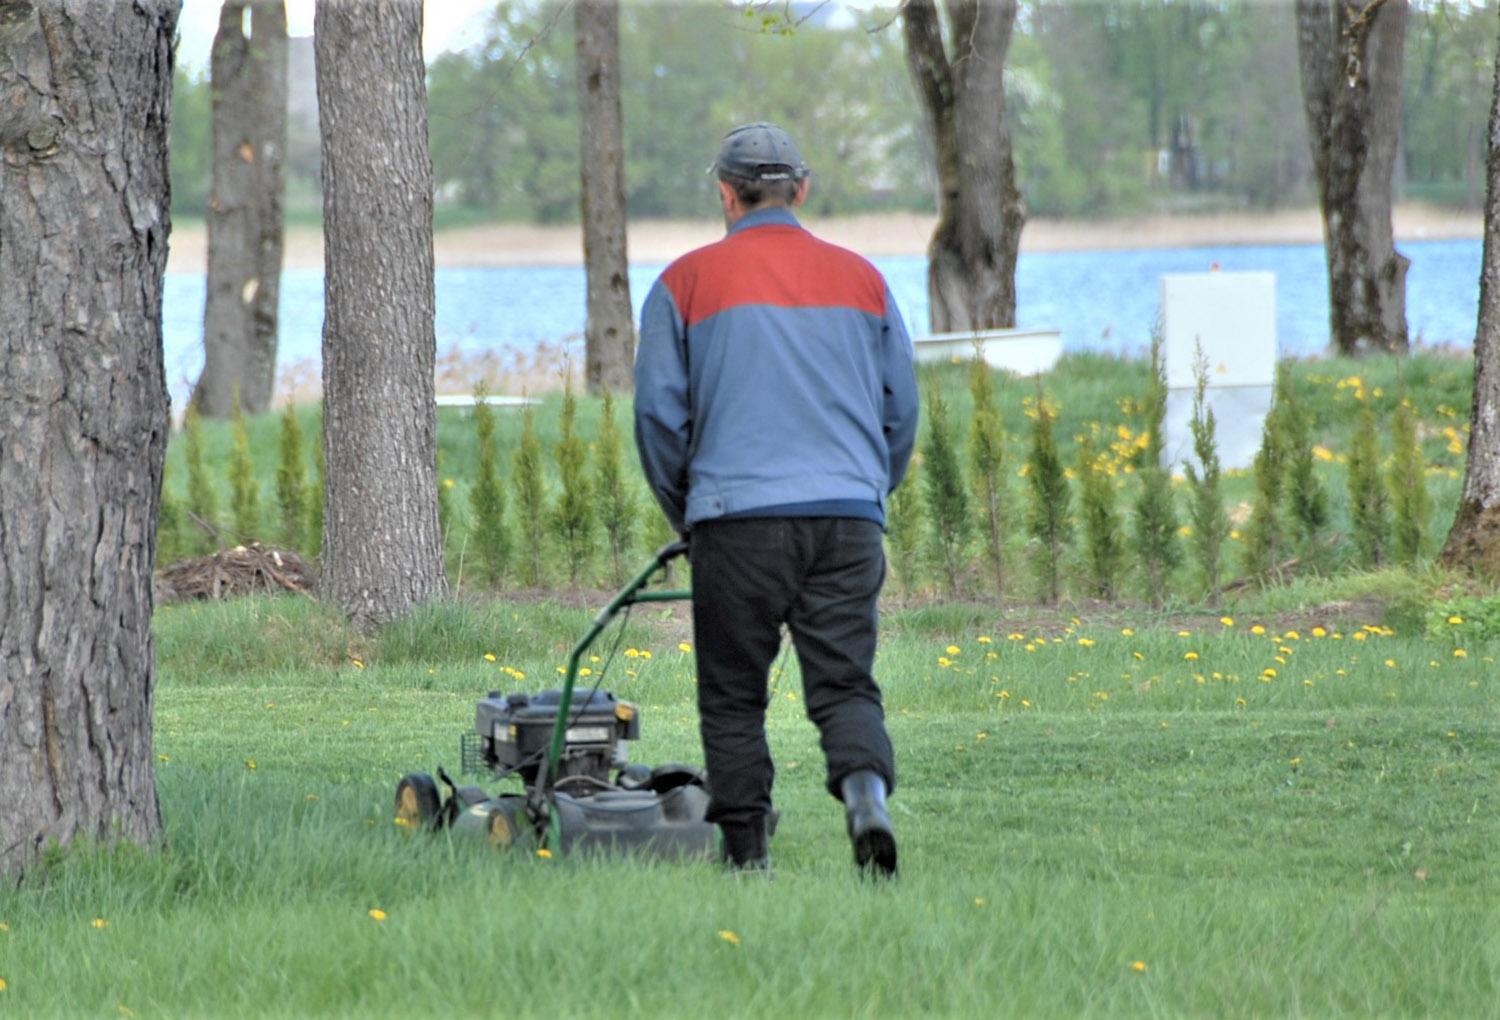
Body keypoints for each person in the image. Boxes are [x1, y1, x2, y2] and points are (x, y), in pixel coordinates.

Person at [634, 122, 919, 876]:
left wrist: (688, 510)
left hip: (737, 518)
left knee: (732, 694)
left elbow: (659, 419)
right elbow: (901, 408)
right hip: (848, 517)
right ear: (802, 190)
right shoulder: (865, 281)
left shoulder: (683, 283)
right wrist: (867, 489)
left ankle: (748, 855)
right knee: (845, 681)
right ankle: (865, 800)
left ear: (726, 194)